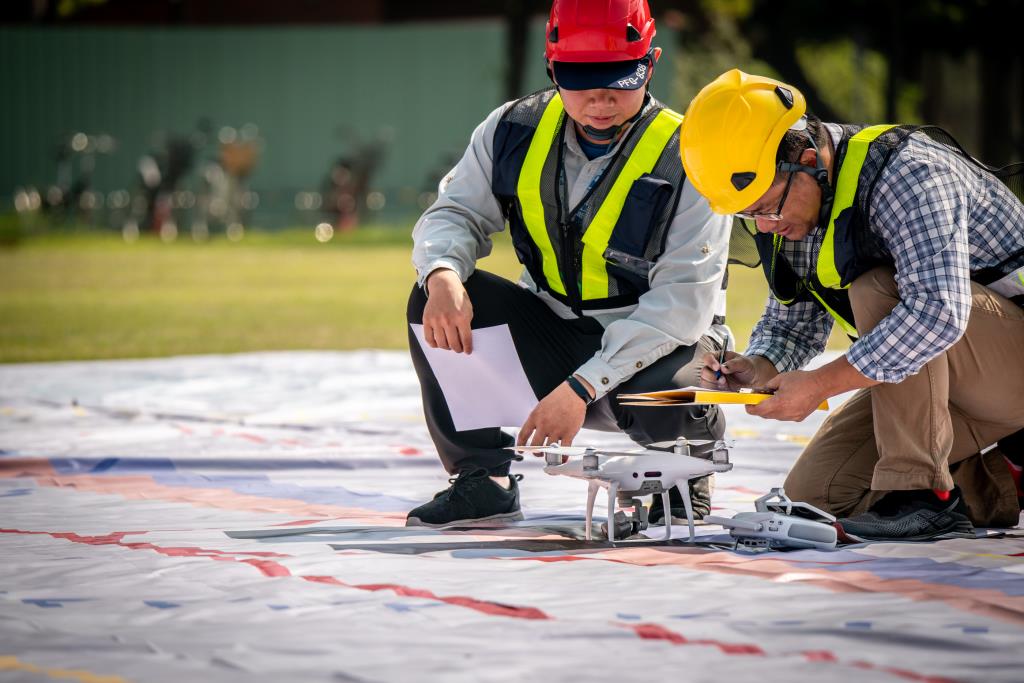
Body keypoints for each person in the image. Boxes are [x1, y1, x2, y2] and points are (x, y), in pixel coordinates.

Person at [405, 0, 732, 529]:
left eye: (620, 81)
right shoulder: (511, 128)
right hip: (551, 327)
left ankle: (685, 477)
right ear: (552, 67)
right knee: (430, 299)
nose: (600, 101)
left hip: (656, 342)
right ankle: (483, 480)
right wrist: (442, 272)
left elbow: (681, 307)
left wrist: (582, 387)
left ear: (651, 62)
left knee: (677, 384)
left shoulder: (690, 153)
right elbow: (456, 212)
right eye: (581, 81)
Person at [678, 68, 1024, 542]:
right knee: (814, 500)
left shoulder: (910, 175)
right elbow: (793, 327)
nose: (763, 226)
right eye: (748, 215)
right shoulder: (798, 205)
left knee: (880, 288)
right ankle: (1000, 477)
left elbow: (936, 313)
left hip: (1007, 361)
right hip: (958, 382)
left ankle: (923, 498)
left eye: (766, 208)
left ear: (805, 158)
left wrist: (820, 383)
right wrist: (757, 368)